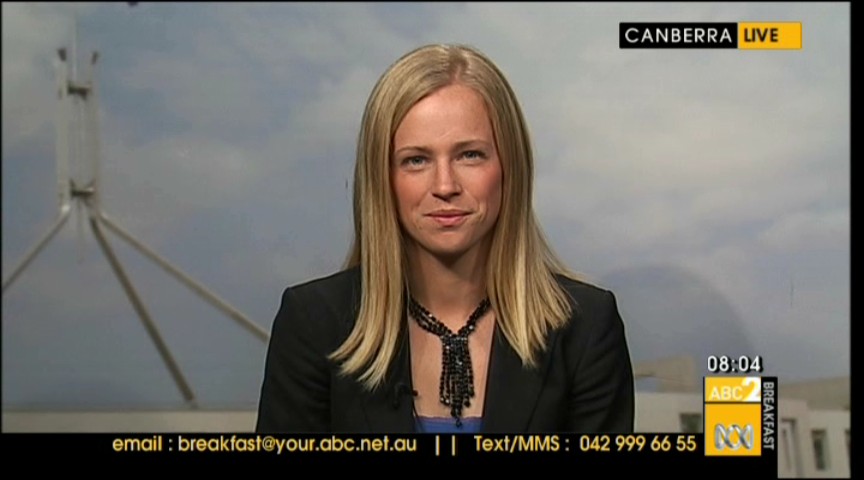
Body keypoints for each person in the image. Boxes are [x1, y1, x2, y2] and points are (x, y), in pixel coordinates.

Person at [256, 43, 634, 433]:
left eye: (469, 155)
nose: (444, 185)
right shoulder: (314, 323)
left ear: (511, 166)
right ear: (382, 179)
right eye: (416, 160)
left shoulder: (585, 327)